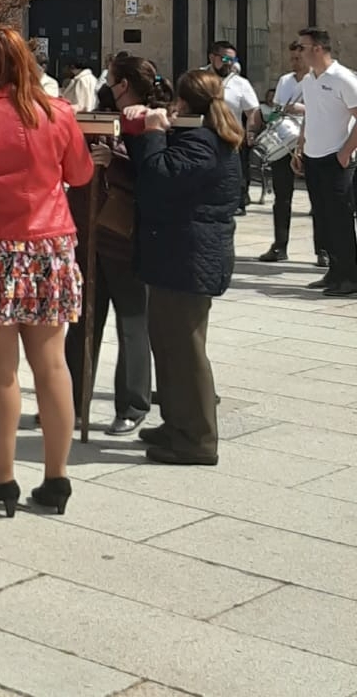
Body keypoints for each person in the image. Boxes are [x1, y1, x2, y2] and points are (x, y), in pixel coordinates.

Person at [0, 24, 93, 518]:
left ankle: (2, 479)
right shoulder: (59, 111)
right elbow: (81, 173)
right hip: (49, 246)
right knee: (52, 366)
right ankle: (56, 478)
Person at [126, 70, 242, 465]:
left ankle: (198, 439)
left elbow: (159, 178)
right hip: (177, 255)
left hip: (188, 257)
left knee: (186, 351)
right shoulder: (198, 138)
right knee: (168, 345)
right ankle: (176, 423)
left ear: (185, 103)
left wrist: (155, 132)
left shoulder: (202, 143)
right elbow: (151, 170)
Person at [65, 54, 162, 436]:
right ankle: (71, 401)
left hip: (125, 235)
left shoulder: (153, 118)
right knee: (82, 321)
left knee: (132, 322)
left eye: (113, 77)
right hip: (87, 231)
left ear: (123, 83)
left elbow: (154, 173)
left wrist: (116, 160)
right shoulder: (95, 116)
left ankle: (133, 404)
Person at [293, 28, 357, 298]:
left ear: (318, 48)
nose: (299, 52)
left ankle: (350, 276)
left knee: (341, 219)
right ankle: (334, 271)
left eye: (302, 47)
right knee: (323, 217)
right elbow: (311, 116)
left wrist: (345, 152)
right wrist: (300, 145)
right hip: (313, 157)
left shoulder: (343, 79)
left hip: (336, 158)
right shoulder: (309, 80)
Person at [259, 39, 321, 265]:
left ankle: (321, 250)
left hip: (311, 140)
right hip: (285, 141)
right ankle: (279, 245)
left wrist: (301, 108)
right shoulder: (285, 80)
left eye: (298, 58)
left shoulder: (316, 79)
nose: (295, 62)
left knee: (317, 197)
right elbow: (277, 108)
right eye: (292, 58)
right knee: (282, 196)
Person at [208, 41, 260, 213]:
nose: (228, 63)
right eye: (224, 58)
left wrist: (250, 132)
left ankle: (237, 203)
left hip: (232, 135)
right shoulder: (199, 77)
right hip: (205, 134)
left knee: (235, 173)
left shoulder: (241, 84)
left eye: (232, 59)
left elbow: (253, 110)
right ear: (212, 57)